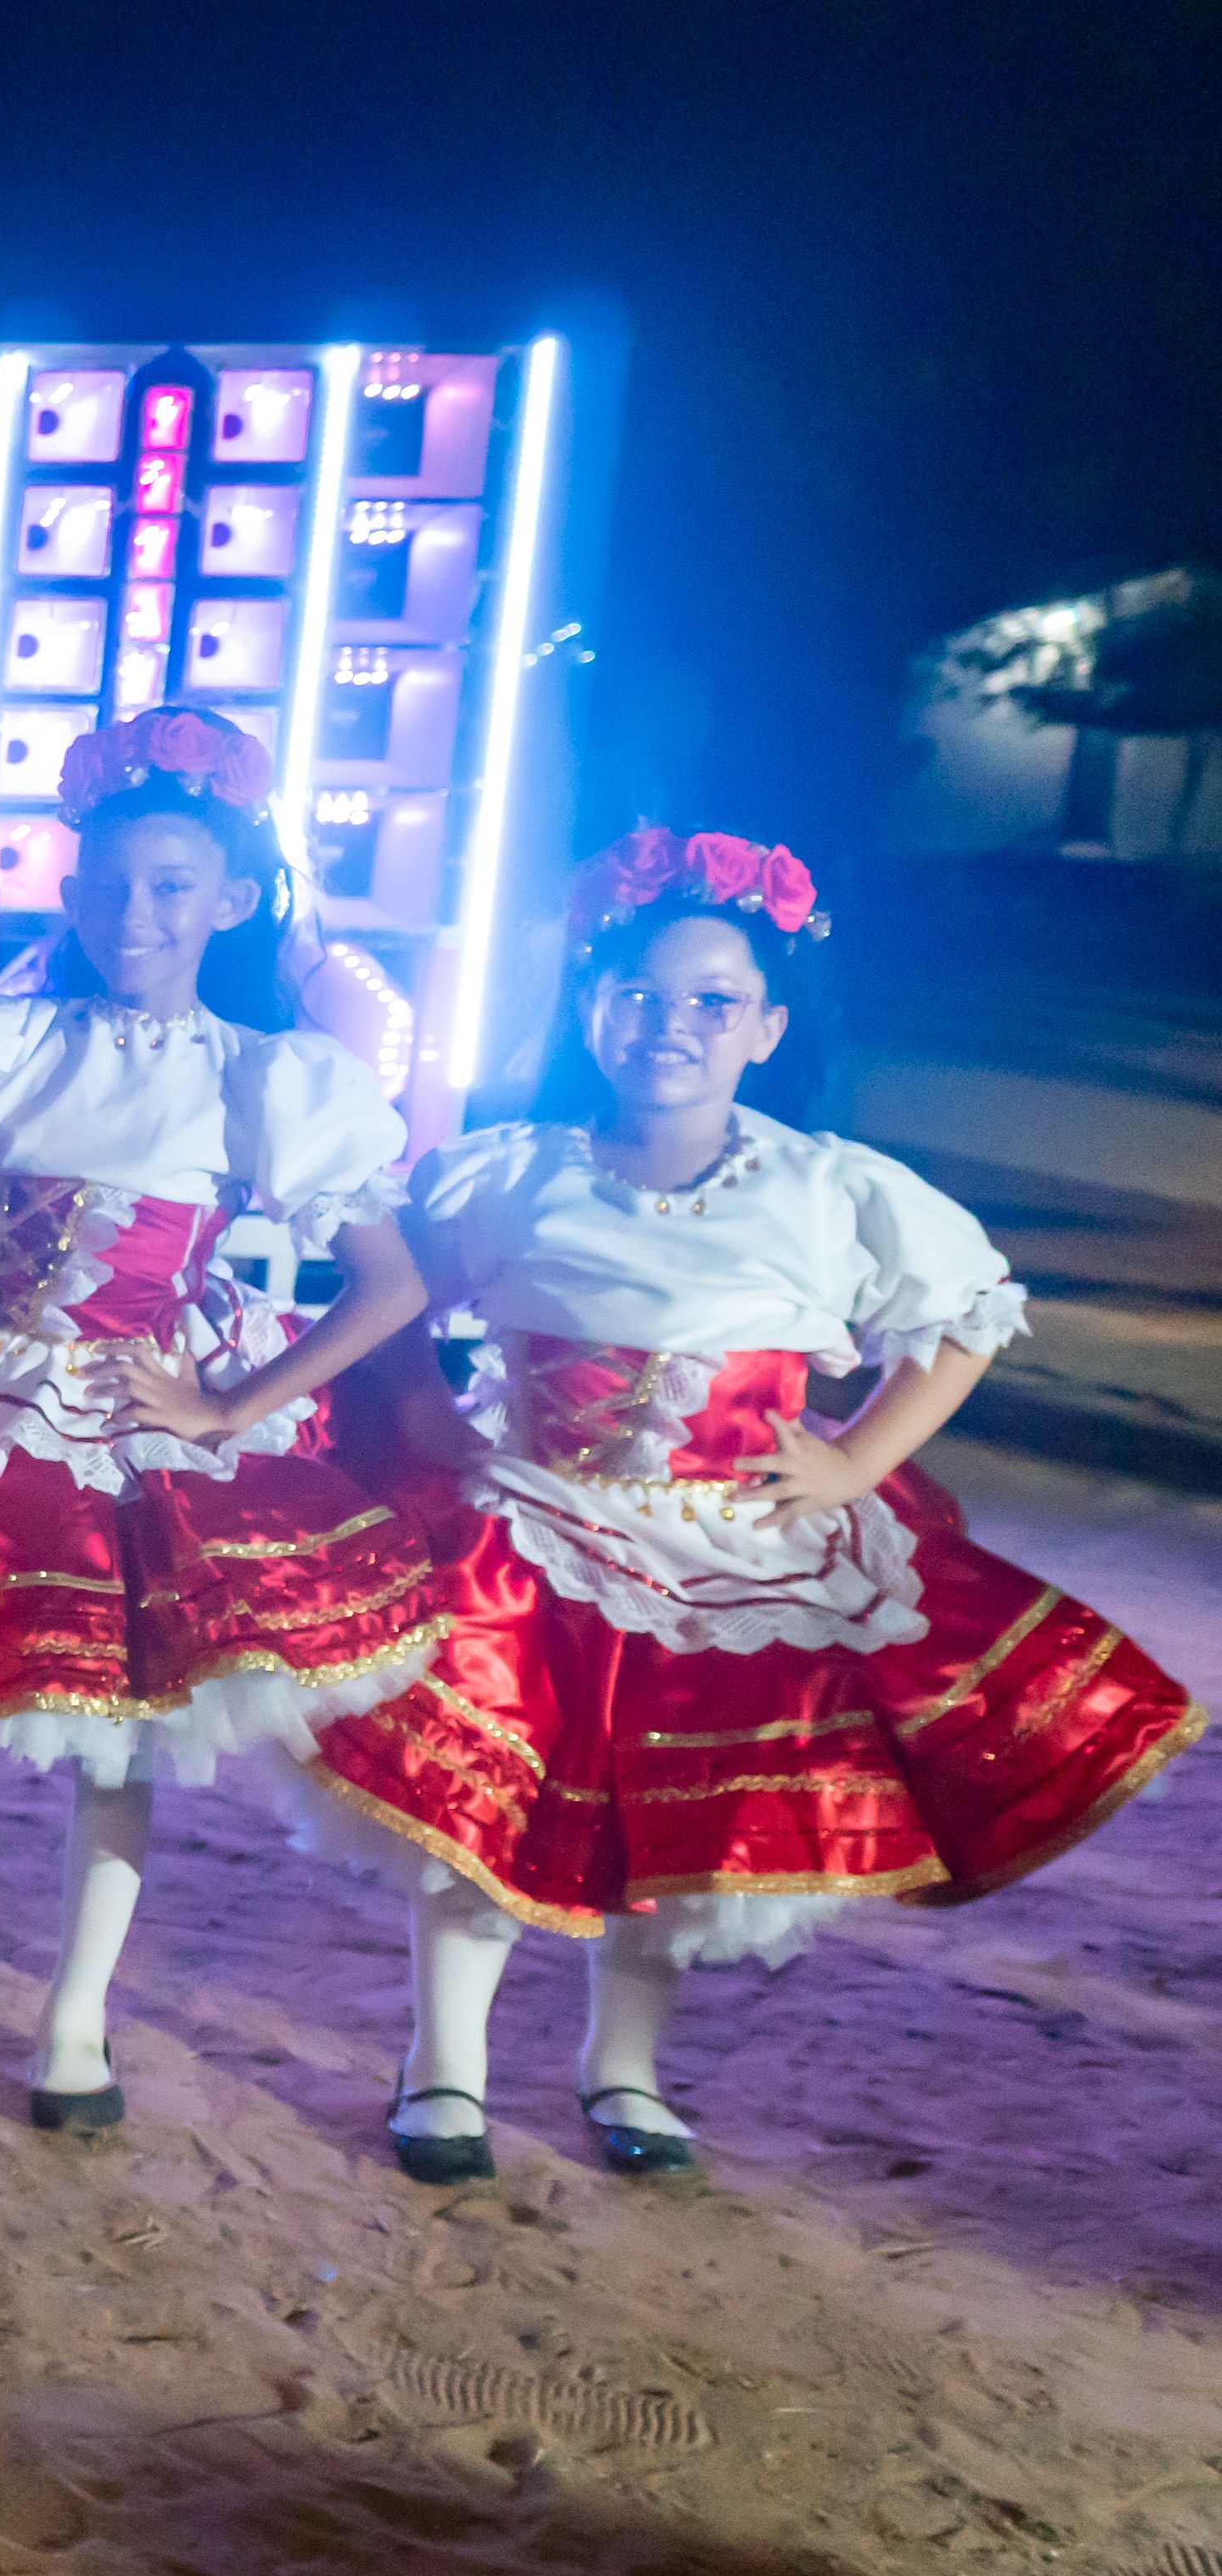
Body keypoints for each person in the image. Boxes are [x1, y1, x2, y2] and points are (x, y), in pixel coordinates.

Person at [292, 830, 1199, 2183]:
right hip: (530, 1532)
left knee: (678, 1830)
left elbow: (966, 1320)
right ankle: (445, 2069)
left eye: (715, 1001)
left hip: (732, 1559)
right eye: (641, 995)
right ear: (592, 1010)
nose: (674, 1024)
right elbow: (396, 1296)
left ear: (767, 1029)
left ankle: (623, 2067)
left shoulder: (826, 1190)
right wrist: (425, 1413)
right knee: (486, 1812)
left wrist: (854, 1461)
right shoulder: (511, 1171)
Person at [0, 708, 441, 2131]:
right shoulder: (5, 1035)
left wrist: (229, 1404)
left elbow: (392, 1285)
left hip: (126, 1416)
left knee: (117, 1733)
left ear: (233, 899)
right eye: (105, 884)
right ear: (67, 885)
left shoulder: (267, 1074)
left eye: (173, 886)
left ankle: (74, 2025)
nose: (133, 915)